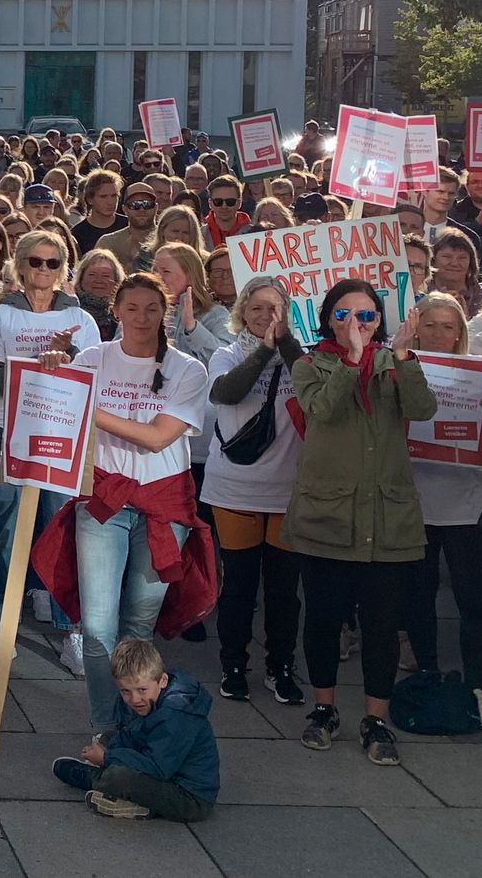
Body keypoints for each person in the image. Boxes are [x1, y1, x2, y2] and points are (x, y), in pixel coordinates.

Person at [36, 272, 214, 734]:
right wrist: (52, 365)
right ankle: (105, 726)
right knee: (96, 629)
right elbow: (48, 398)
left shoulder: (188, 369)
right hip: (103, 501)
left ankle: (138, 723)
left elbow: (158, 438)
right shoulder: (93, 358)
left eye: (152, 308)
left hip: (163, 504)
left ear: (165, 313)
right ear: (115, 311)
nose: (141, 317)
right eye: (131, 307)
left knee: (139, 622)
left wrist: (87, 405)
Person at [287, 280, 433, 766]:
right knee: (325, 618)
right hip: (328, 515)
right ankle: (324, 708)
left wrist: (406, 357)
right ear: (329, 319)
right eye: (346, 315)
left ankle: (376, 717)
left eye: (367, 316)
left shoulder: (396, 364)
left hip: (384, 516)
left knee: (381, 623)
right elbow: (321, 411)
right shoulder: (311, 364)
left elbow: (422, 410)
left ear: (381, 322)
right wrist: (350, 362)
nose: (357, 325)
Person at [0, 230, 103, 664]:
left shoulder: (81, 321)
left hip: (62, 441)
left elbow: (94, 378)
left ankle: (71, 633)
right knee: (5, 536)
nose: (42, 271)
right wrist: (41, 363)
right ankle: (1, 626)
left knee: (62, 533)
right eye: (35, 261)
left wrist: (69, 357)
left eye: (52, 263)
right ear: (20, 265)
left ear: (63, 269)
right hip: (8, 438)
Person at [201, 277, 305, 705]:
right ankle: (233, 663)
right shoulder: (227, 354)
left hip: (287, 492)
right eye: (257, 308)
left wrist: (286, 346)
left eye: (275, 309)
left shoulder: (301, 358)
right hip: (235, 491)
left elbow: (316, 392)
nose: (266, 317)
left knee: (283, 589)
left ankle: (280, 666)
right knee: (240, 585)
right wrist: (265, 350)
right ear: (242, 311)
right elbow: (226, 392)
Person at [400, 293, 482, 731]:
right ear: (416, 327)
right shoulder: (398, 367)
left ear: (461, 332)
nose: (440, 334)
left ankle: (476, 685)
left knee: (473, 598)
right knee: (418, 595)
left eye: (449, 326)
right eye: (432, 324)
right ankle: (428, 673)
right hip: (416, 500)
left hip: (467, 502)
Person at [49, 639, 219, 821]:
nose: (134, 698)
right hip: (167, 773)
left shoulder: (175, 716)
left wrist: (107, 758)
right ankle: (116, 782)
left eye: (142, 690)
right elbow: (135, 731)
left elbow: (157, 767)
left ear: (162, 681)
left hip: (190, 800)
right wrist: (111, 747)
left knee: (121, 777)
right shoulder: (154, 699)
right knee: (109, 738)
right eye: (125, 691)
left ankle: (97, 779)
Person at [153, 242, 234, 366]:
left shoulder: (215, 314)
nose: (156, 277)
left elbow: (226, 359)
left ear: (190, 276)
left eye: (166, 271)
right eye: (154, 271)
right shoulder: (142, 311)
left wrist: (192, 328)